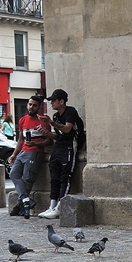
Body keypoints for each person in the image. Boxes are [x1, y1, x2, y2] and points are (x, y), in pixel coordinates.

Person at [38, 88, 82, 219]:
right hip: (59, 145)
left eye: (53, 100)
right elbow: (57, 135)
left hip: (70, 145)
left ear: (61, 101)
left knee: (65, 176)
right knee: (54, 176)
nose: (51, 103)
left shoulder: (70, 112)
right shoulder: (56, 116)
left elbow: (68, 129)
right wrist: (47, 133)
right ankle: (52, 205)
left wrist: (50, 122)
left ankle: (60, 207)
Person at [8, 95, 52, 218]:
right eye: (30, 104)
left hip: (35, 152)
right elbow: (20, 139)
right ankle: (26, 200)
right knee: (13, 174)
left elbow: (49, 141)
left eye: (34, 105)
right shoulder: (22, 120)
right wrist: (14, 154)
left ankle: (19, 206)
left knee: (28, 178)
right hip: (22, 152)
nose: (31, 107)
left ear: (39, 107)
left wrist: (35, 143)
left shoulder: (43, 121)